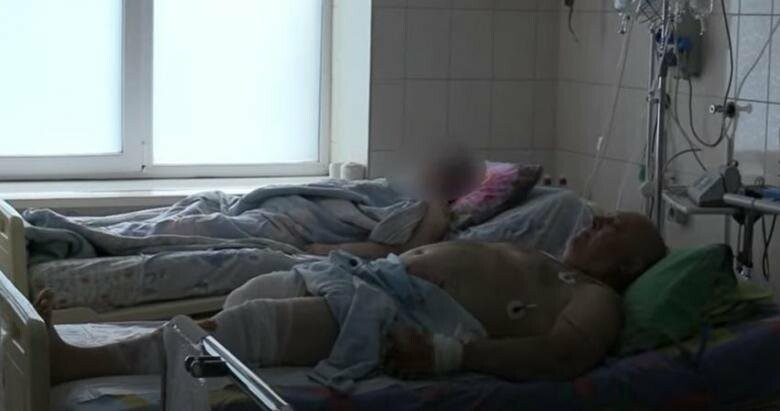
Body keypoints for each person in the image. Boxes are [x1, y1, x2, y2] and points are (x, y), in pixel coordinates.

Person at [37, 212, 666, 385]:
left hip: (398, 315)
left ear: (630, 266)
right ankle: (130, 348)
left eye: (613, 226)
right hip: (367, 279)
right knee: (247, 300)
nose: (595, 220)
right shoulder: (548, 260)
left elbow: (561, 357)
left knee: (250, 326)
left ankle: (76, 362)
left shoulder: (595, 300)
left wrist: (448, 355)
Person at [305, 148, 485, 259]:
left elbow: (402, 250)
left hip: (317, 217)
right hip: (319, 202)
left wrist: (331, 249)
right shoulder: (405, 190)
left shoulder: (434, 210)